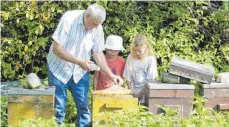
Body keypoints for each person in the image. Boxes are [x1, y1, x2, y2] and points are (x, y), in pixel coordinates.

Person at [46, 4, 123, 127]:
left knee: (84, 108)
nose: (96, 27)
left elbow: (98, 54)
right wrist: (79, 62)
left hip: (79, 72)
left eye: (98, 25)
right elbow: (57, 49)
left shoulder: (98, 28)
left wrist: (111, 75)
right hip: (58, 70)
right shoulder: (69, 19)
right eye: (94, 24)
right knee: (58, 110)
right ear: (87, 16)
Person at [123, 34, 158, 104]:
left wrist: (141, 93)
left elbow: (151, 80)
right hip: (133, 94)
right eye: (135, 50)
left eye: (140, 51)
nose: (137, 53)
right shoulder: (130, 57)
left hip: (146, 95)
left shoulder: (150, 59)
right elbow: (128, 77)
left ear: (146, 48)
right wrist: (131, 93)